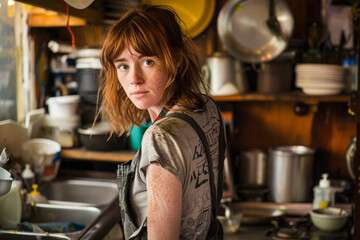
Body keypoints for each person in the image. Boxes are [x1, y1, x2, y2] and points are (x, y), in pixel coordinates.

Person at [98, 4, 226, 239]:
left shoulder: (160, 138)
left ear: (175, 60)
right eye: (123, 66)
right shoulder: (208, 107)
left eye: (147, 62)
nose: (134, 79)